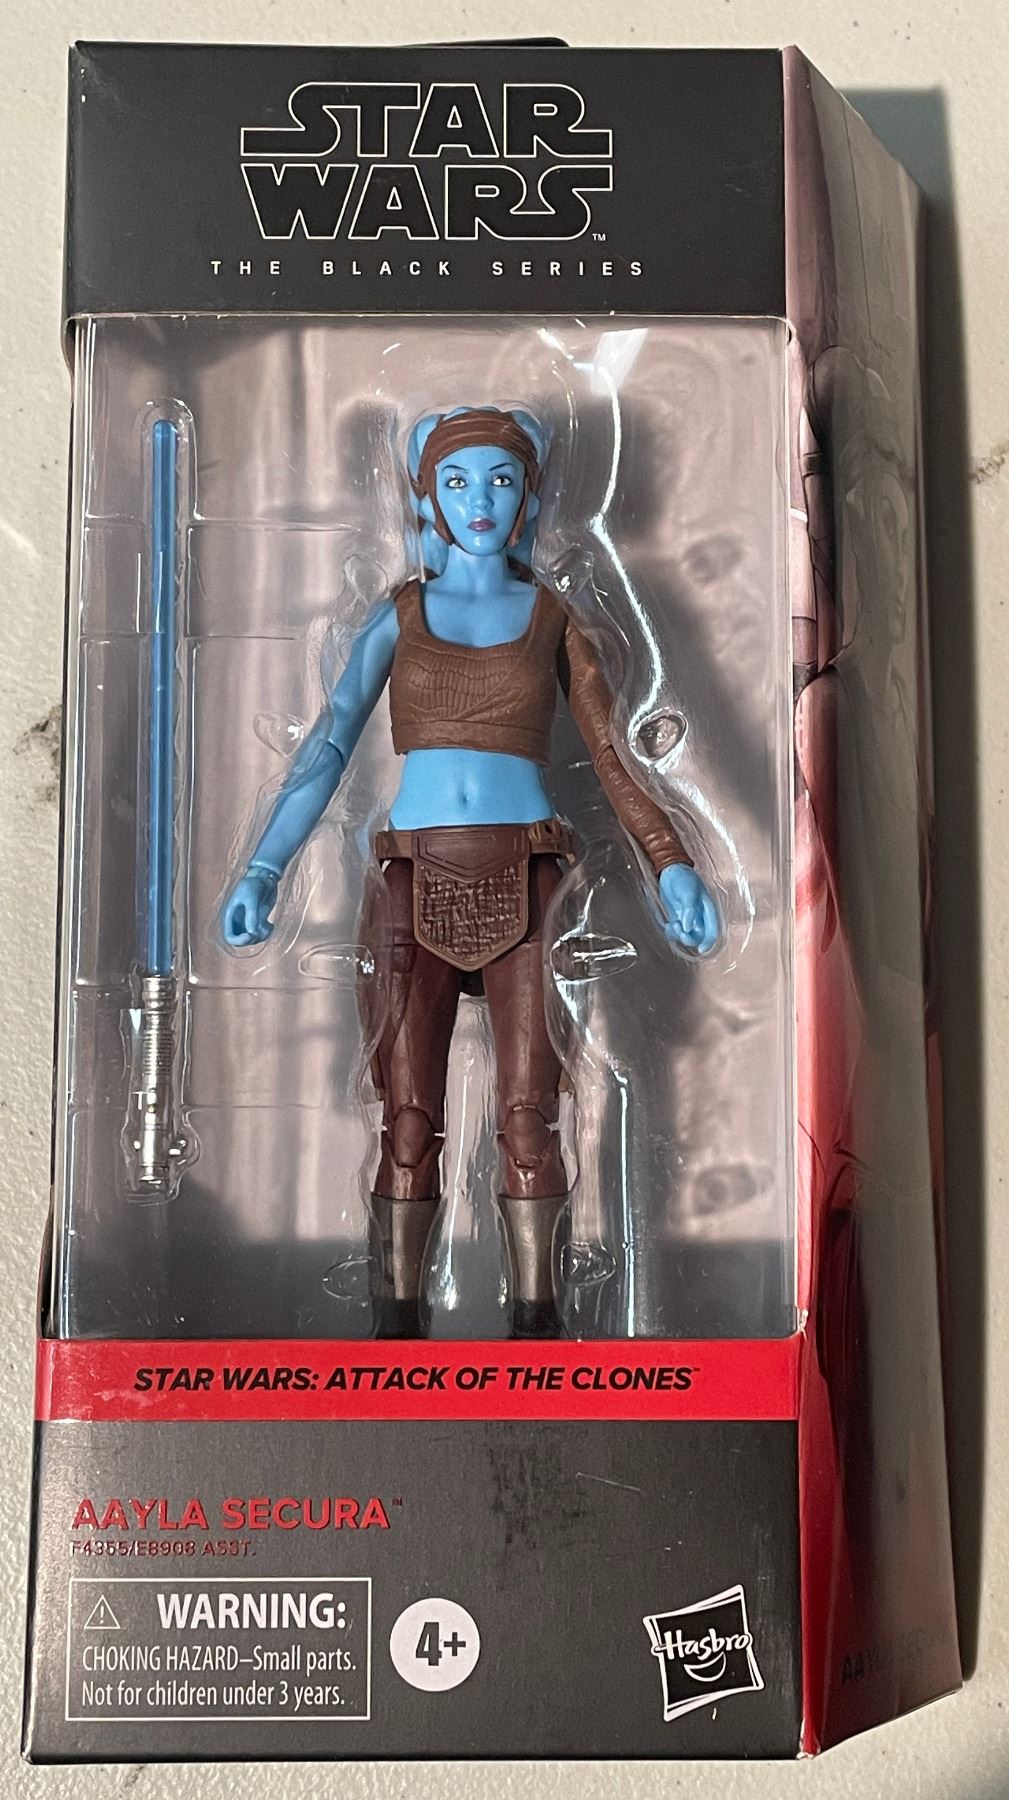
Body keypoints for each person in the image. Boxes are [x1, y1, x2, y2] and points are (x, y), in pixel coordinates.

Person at [222, 406, 718, 1336]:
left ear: (528, 495)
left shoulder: (554, 619)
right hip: (409, 880)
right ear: (428, 497)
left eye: (499, 479)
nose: (478, 499)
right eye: (456, 481)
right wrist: (262, 866)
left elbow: (614, 755)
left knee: (530, 1120)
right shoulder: (398, 616)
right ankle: (395, 1330)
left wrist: (670, 862)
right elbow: (327, 746)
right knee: (407, 1122)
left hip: (528, 875)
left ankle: (538, 1326)